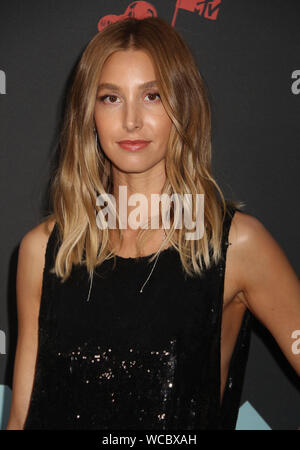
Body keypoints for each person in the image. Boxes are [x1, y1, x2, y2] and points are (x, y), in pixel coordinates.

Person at [6, 17, 300, 430]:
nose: (131, 121)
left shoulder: (234, 244)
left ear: (183, 104)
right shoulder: (45, 250)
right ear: (88, 114)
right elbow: (21, 417)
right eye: (110, 98)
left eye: (153, 96)